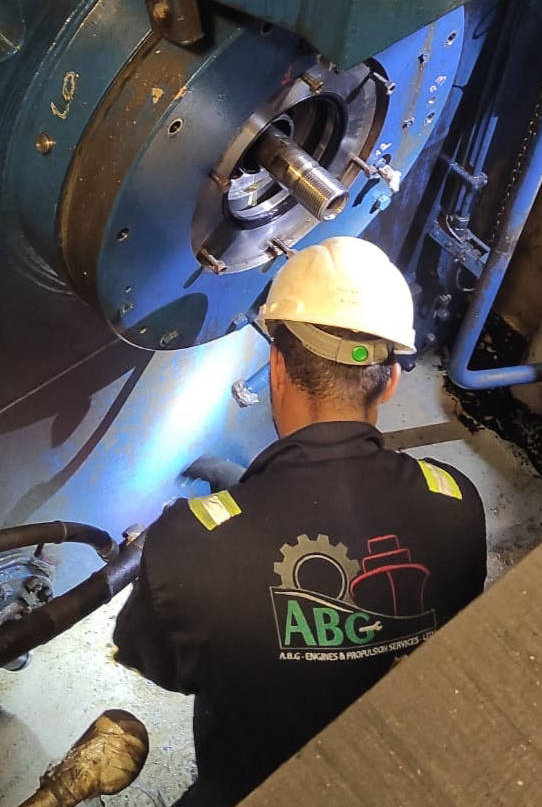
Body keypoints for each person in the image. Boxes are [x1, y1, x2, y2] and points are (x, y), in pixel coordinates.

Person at [114, 236, 487, 806]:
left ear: (276, 366)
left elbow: (156, 663)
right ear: (390, 381)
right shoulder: (456, 502)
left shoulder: (189, 546)